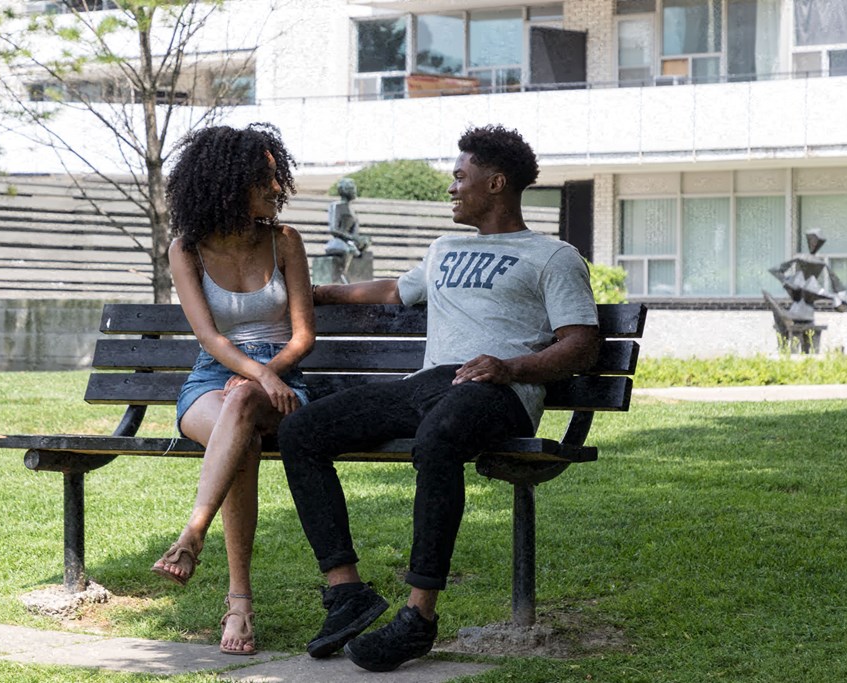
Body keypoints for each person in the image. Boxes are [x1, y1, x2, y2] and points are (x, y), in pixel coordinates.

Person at [278, 124, 600, 672]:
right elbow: (391, 291)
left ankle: (417, 617)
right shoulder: (444, 247)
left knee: (438, 440)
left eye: (460, 177)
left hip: (500, 390)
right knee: (300, 431)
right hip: (431, 383)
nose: (451, 188)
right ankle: (347, 591)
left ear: (495, 183)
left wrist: (510, 367)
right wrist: (321, 293)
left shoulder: (552, 256)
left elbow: (582, 343)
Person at [152, 123, 314, 657]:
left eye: (275, 179)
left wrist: (268, 374)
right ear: (228, 185)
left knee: (243, 402)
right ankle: (238, 602)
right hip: (210, 379)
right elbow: (209, 337)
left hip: (282, 384)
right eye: (263, 181)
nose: (276, 189)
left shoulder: (285, 241)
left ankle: (193, 535)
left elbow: (303, 335)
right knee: (237, 421)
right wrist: (252, 375)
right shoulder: (188, 249)